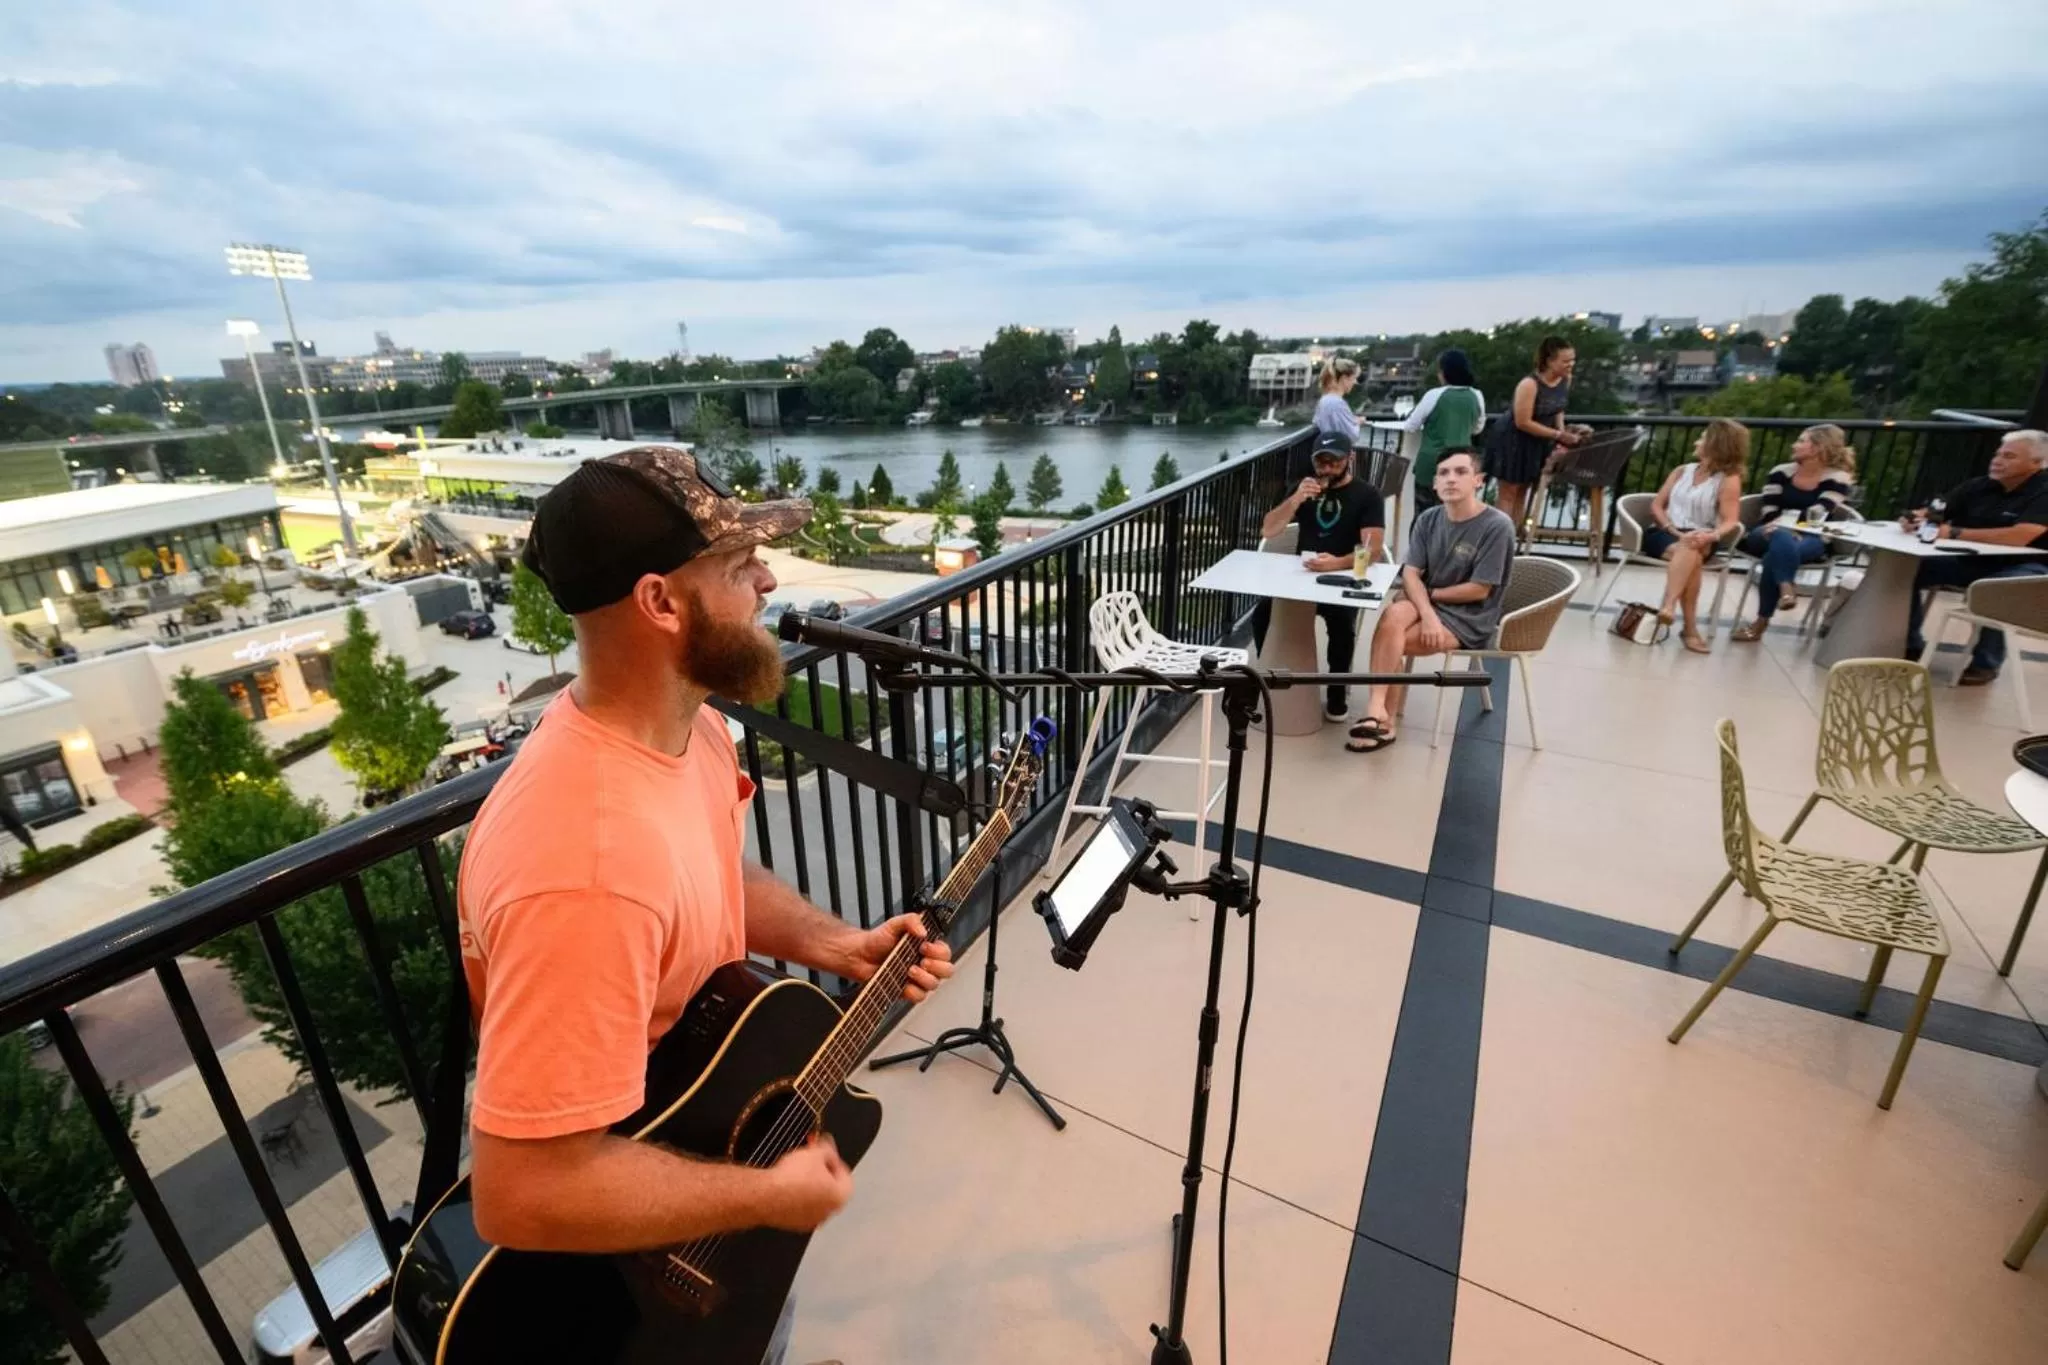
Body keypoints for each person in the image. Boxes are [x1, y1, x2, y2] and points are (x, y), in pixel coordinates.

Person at [456, 447, 953, 1365]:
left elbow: (715, 873)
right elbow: (525, 1192)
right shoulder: (583, 864)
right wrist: (764, 1195)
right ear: (660, 602)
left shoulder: (693, 731)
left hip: (695, 1170)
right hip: (616, 1284)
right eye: (739, 565)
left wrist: (839, 943)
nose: (768, 580)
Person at [1346, 449, 1516, 752]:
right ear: (1435, 483)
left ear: (1478, 480)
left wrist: (1429, 599)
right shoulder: (1428, 519)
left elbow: (1479, 590)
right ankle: (1377, 709)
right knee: (1392, 618)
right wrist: (1428, 614)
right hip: (1428, 604)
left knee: (1391, 638)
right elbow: (1411, 573)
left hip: (1469, 616)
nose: (1451, 479)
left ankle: (1383, 721)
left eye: (1461, 472)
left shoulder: (1497, 526)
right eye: (1443, 473)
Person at [1255, 430, 1386, 720]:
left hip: (1342, 574)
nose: (1327, 469)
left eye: (1334, 462)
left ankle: (1336, 694)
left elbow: (1373, 550)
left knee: (1342, 626)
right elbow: (1269, 530)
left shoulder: (1367, 495)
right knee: (1263, 613)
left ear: (1349, 459)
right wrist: (1295, 500)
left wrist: (1337, 563)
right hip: (1302, 576)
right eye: (1321, 462)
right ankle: (1269, 679)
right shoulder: (1303, 488)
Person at [1902, 429, 2048, 684]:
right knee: (1906, 569)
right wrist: (1915, 518)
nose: (1997, 461)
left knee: (1999, 587)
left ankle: (1986, 663)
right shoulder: (1979, 486)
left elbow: (2021, 535)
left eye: (2009, 456)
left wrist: (1955, 533)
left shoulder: (2043, 491)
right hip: (1973, 561)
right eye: (1998, 454)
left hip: (2029, 567)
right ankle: (1909, 644)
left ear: (2036, 463)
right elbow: (1937, 511)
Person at [1728, 424, 1858, 643]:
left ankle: (1761, 622)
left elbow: (1819, 512)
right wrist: (1783, 528)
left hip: (1811, 537)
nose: (1794, 445)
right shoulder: (1781, 472)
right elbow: (1769, 508)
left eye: (1801, 441)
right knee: (1780, 536)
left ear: (1818, 447)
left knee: (1774, 556)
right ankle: (1786, 586)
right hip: (1766, 532)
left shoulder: (1838, 478)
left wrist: (1792, 529)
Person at [1640, 418, 1748, 653]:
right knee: (1692, 557)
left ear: (1716, 445)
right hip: (1665, 531)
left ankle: (1669, 606)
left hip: (1702, 537)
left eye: (1703, 438)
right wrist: (1674, 531)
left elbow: (1731, 520)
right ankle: (1689, 629)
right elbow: (1656, 506)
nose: (1697, 442)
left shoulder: (1729, 480)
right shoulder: (1682, 471)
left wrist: (1712, 536)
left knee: (1691, 546)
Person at [1484, 335, 1581, 534]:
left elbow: (1558, 408)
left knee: (1524, 490)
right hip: (1513, 440)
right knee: (1509, 491)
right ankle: (1499, 536)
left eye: (1572, 360)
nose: (1570, 364)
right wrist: (1558, 435)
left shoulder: (1565, 380)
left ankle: (1514, 533)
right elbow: (1522, 421)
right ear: (1549, 361)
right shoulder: (1529, 384)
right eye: (1565, 361)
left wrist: (1561, 431)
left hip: (1539, 442)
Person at [1401, 348, 1486, 512]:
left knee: (1424, 514)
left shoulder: (1434, 395)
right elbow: (1478, 428)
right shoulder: (1476, 396)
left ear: (1445, 372)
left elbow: (1411, 425)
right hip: (1462, 464)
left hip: (1431, 464)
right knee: (1455, 514)